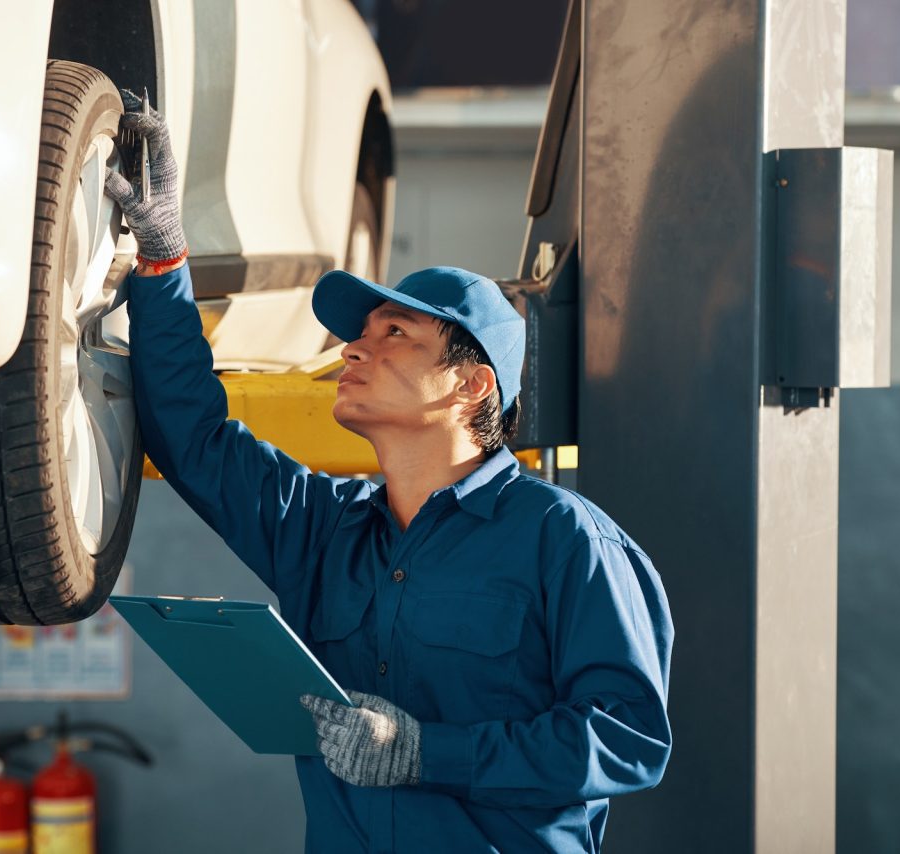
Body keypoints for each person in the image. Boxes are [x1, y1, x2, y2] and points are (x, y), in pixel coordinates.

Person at [104, 92, 673, 854]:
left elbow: (629, 739)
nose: (354, 349)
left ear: (472, 385)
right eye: (358, 335)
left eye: (394, 333)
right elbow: (193, 439)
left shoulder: (564, 541)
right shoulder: (320, 528)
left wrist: (426, 753)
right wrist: (165, 256)